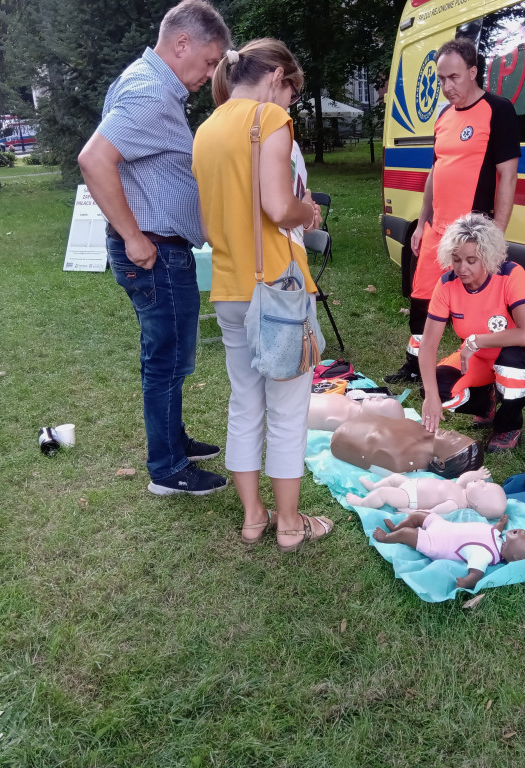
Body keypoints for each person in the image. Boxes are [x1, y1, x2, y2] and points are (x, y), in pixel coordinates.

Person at [78, 0, 230, 497]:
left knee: (171, 358)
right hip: (154, 253)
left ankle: (174, 440)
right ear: (182, 42)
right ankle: (167, 470)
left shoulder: (151, 85)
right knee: (165, 360)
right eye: (209, 61)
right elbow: (95, 159)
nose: (210, 74)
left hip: (164, 250)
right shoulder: (149, 92)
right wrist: (132, 236)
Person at [192, 39, 332, 552]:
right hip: (278, 289)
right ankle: (291, 524)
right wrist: (307, 210)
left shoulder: (205, 130)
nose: (290, 104)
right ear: (277, 75)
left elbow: (206, 224)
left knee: (244, 403)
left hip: (228, 287)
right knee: (289, 409)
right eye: (292, 92)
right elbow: (278, 207)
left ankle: (254, 518)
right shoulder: (268, 121)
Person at [386, 38, 521, 386]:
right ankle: (415, 365)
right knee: (421, 300)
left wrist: (497, 233)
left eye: (454, 78)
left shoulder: (498, 109)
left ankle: (480, 373)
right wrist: (422, 222)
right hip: (436, 230)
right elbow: (436, 170)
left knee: (477, 305)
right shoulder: (444, 115)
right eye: (441, 79)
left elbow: (507, 175)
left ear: (474, 72)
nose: (447, 87)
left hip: (472, 233)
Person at [419, 212, 525, 451]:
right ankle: (485, 403)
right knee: (437, 390)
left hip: (518, 354)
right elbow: (428, 344)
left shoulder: (511, 274)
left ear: (488, 257)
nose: (462, 268)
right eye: (456, 259)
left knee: (512, 365)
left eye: (471, 260)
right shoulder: (447, 284)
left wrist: (475, 342)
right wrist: (430, 396)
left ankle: (508, 425)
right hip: (477, 358)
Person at [372, 512, 525, 590]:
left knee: (408, 534)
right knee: (419, 516)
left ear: (517, 558)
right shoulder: (498, 537)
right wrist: (501, 523)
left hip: (437, 542)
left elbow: (477, 573)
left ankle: (387, 538)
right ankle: (395, 529)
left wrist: (467, 582)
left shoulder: (485, 553)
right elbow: (495, 528)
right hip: (443, 526)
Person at [330, 414, 483, 479]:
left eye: (455, 440)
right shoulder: (426, 430)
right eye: (459, 434)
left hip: (342, 435)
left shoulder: (400, 459)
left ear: (441, 463)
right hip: (354, 421)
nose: (453, 432)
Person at [346, 468, 507, 519]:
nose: (482, 482)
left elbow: (432, 513)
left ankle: (362, 503)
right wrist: (476, 474)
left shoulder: (454, 504)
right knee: (394, 478)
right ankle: (373, 486)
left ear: (476, 503)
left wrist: (413, 512)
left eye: (484, 487)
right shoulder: (461, 489)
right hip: (410, 484)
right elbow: (465, 478)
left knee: (384, 493)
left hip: (410, 498)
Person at [307, 392, 404, 431]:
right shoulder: (356, 405)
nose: (378, 397)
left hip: (298, 408)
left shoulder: (345, 420)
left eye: (381, 403)